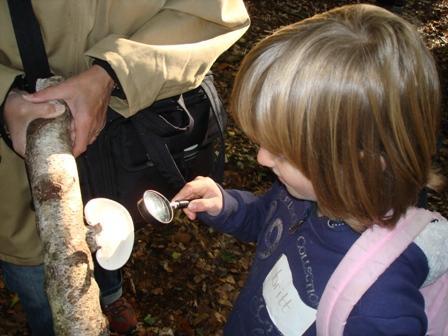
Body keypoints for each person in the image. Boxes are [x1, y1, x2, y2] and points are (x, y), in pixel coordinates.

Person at [173, 4, 447, 335]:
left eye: (282, 153)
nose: (261, 159)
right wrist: (227, 206)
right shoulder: (308, 192)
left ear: (355, 165)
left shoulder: (379, 308)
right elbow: (268, 219)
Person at [0, 1, 250, 335]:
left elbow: (215, 15)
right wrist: (4, 97)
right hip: (14, 178)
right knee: (42, 283)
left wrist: (112, 73)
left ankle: (111, 292)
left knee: (109, 230)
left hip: (122, 135)